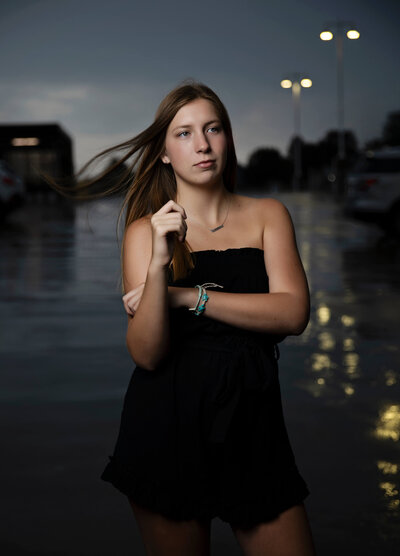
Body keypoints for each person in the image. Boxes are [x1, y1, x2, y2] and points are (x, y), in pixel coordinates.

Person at [52, 79, 316, 555]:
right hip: (166, 427)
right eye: (185, 133)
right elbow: (148, 354)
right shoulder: (143, 232)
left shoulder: (268, 216)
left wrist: (186, 297)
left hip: (254, 427)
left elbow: (293, 313)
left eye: (213, 129)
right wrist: (157, 263)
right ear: (164, 154)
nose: (202, 144)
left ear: (228, 138)